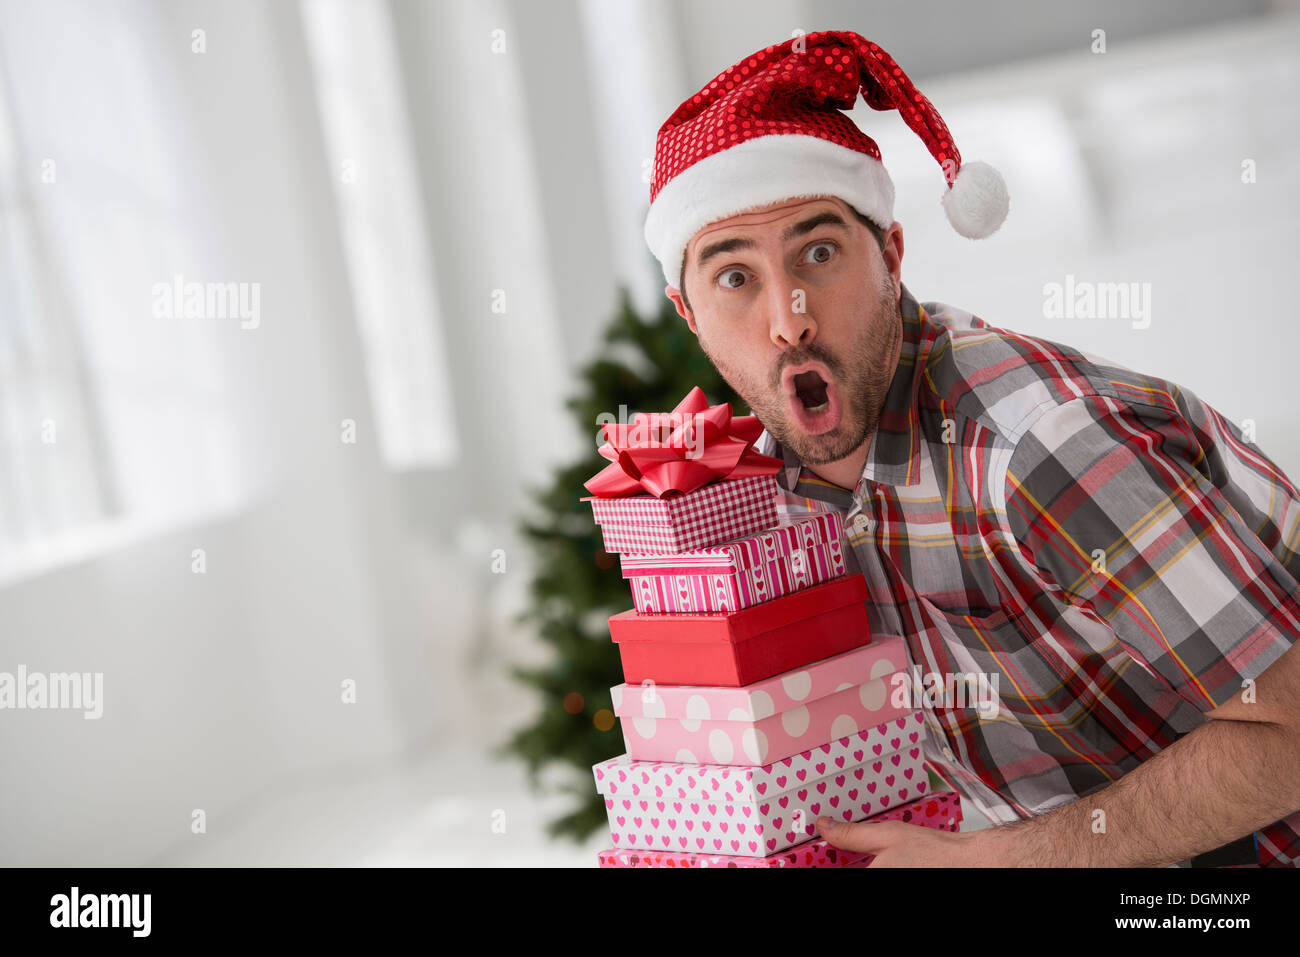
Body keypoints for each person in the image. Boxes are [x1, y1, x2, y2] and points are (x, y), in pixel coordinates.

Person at [643, 29, 1300, 867]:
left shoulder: (1041, 447)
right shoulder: (766, 500)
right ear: (689, 315)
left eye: (819, 252)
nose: (790, 317)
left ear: (890, 255)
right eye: (735, 277)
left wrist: (993, 860)